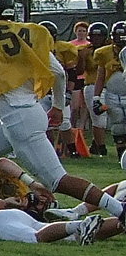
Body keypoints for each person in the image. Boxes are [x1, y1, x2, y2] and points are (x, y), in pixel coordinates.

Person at [0, 0, 125, 245]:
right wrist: (56, 106)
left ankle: (121, 210)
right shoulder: (31, 32)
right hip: (26, 112)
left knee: (57, 180)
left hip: (20, 119)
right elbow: (59, 73)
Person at [39, 20, 79, 157]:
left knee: (64, 123)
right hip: (41, 91)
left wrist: (68, 91)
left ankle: (72, 150)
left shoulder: (63, 49)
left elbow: (71, 73)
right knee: (44, 123)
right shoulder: (32, 50)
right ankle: (49, 151)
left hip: (59, 91)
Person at [92, 21, 126, 157]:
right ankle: (122, 156)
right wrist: (96, 97)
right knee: (118, 125)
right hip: (112, 94)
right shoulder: (104, 53)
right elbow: (100, 76)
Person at [80, 22, 110, 155]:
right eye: (94, 36)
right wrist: (81, 58)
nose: (97, 39)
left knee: (113, 117)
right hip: (92, 87)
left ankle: (95, 143)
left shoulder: (111, 50)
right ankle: (101, 148)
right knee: (99, 117)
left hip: (111, 87)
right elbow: (80, 71)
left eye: (100, 37)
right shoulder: (86, 51)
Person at [70, 20, 90, 137]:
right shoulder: (71, 45)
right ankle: (71, 127)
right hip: (76, 77)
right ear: (75, 32)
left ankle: (81, 128)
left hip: (87, 77)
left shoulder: (90, 45)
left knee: (85, 105)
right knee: (75, 106)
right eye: (79, 31)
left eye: (83, 31)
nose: (81, 33)